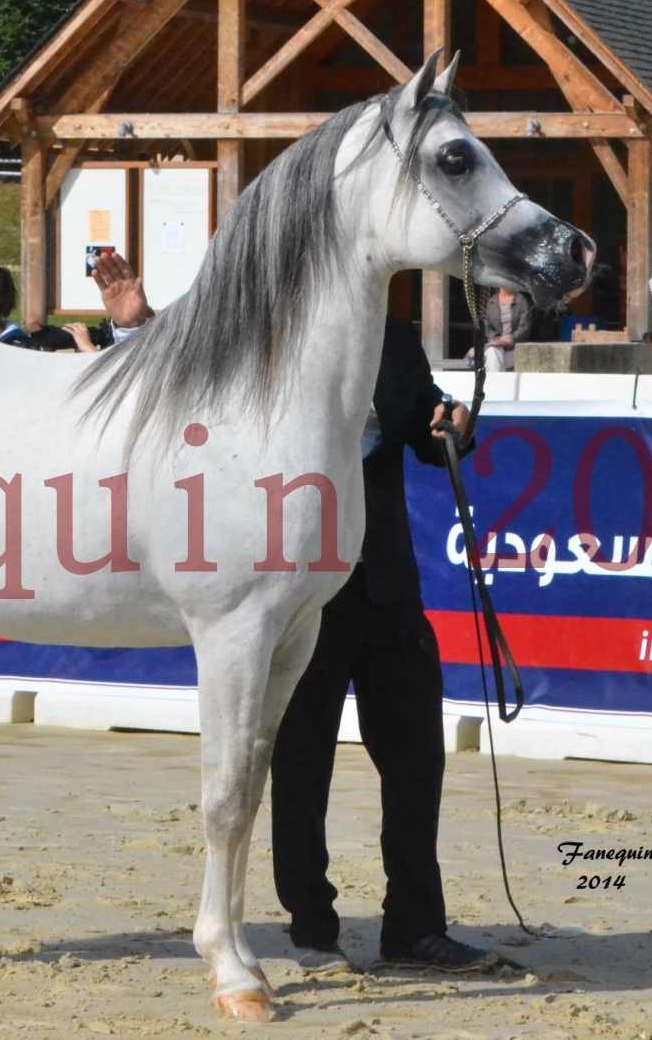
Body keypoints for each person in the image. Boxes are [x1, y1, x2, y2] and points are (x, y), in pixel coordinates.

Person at [85, 257, 497, 976]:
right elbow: (180, 388)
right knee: (299, 768)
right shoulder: (262, 344)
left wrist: (452, 430)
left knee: (415, 763)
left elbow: (429, 440)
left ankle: (415, 927)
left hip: (387, 588)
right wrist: (136, 327)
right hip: (292, 592)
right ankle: (311, 927)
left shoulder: (394, 341)